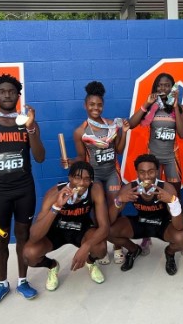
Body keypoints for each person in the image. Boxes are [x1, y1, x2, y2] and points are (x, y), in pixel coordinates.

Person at [0, 74, 45, 305]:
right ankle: (2, 283)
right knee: (0, 241)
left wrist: (32, 128)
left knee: (23, 236)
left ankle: (23, 281)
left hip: (25, 190)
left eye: (12, 91)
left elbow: (40, 157)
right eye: (2, 91)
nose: (7, 95)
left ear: (18, 95)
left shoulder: (27, 124)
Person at [63, 81, 130, 265]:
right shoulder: (80, 132)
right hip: (93, 176)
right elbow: (80, 156)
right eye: (92, 104)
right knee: (98, 212)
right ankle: (101, 244)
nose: (96, 108)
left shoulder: (111, 126)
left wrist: (123, 133)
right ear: (85, 106)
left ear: (103, 106)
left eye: (99, 104)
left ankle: (117, 246)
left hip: (112, 173)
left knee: (115, 208)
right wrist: (71, 161)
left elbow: (119, 150)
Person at [23, 161, 109, 291]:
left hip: (82, 229)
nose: (81, 183)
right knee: (30, 253)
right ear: (70, 178)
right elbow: (34, 236)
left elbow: (105, 227)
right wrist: (56, 206)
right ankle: (52, 266)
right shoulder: (53, 193)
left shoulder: (95, 189)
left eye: (86, 179)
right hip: (57, 231)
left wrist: (86, 247)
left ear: (91, 181)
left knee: (100, 248)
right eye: (77, 178)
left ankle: (90, 262)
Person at [128, 73, 183, 255]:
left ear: (172, 88)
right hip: (152, 159)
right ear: (155, 88)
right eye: (160, 85)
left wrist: (176, 107)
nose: (163, 88)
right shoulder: (152, 106)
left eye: (167, 85)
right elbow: (131, 124)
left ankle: (180, 232)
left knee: (175, 196)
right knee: (149, 195)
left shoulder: (179, 107)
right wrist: (146, 104)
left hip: (171, 158)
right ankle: (147, 235)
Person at [108, 154, 183, 275]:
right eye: (142, 172)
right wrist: (119, 200)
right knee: (107, 231)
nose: (146, 176)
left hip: (162, 225)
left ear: (157, 171)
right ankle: (134, 250)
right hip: (141, 223)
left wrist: (173, 202)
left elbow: (179, 227)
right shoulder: (129, 188)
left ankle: (169, 253)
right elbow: (109, 220)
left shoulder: (167, 188)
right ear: (137, 172)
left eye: (150, 172)